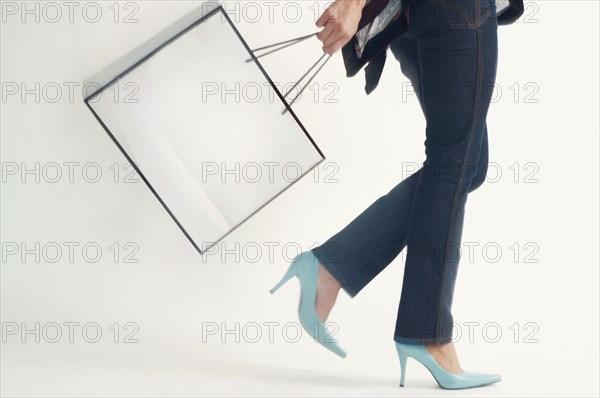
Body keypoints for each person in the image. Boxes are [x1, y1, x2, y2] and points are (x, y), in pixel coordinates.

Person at [271, 0, 512, 389]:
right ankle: (427, 333)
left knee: (465, 164)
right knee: (453, 162)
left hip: (413, 14)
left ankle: (330, 268)